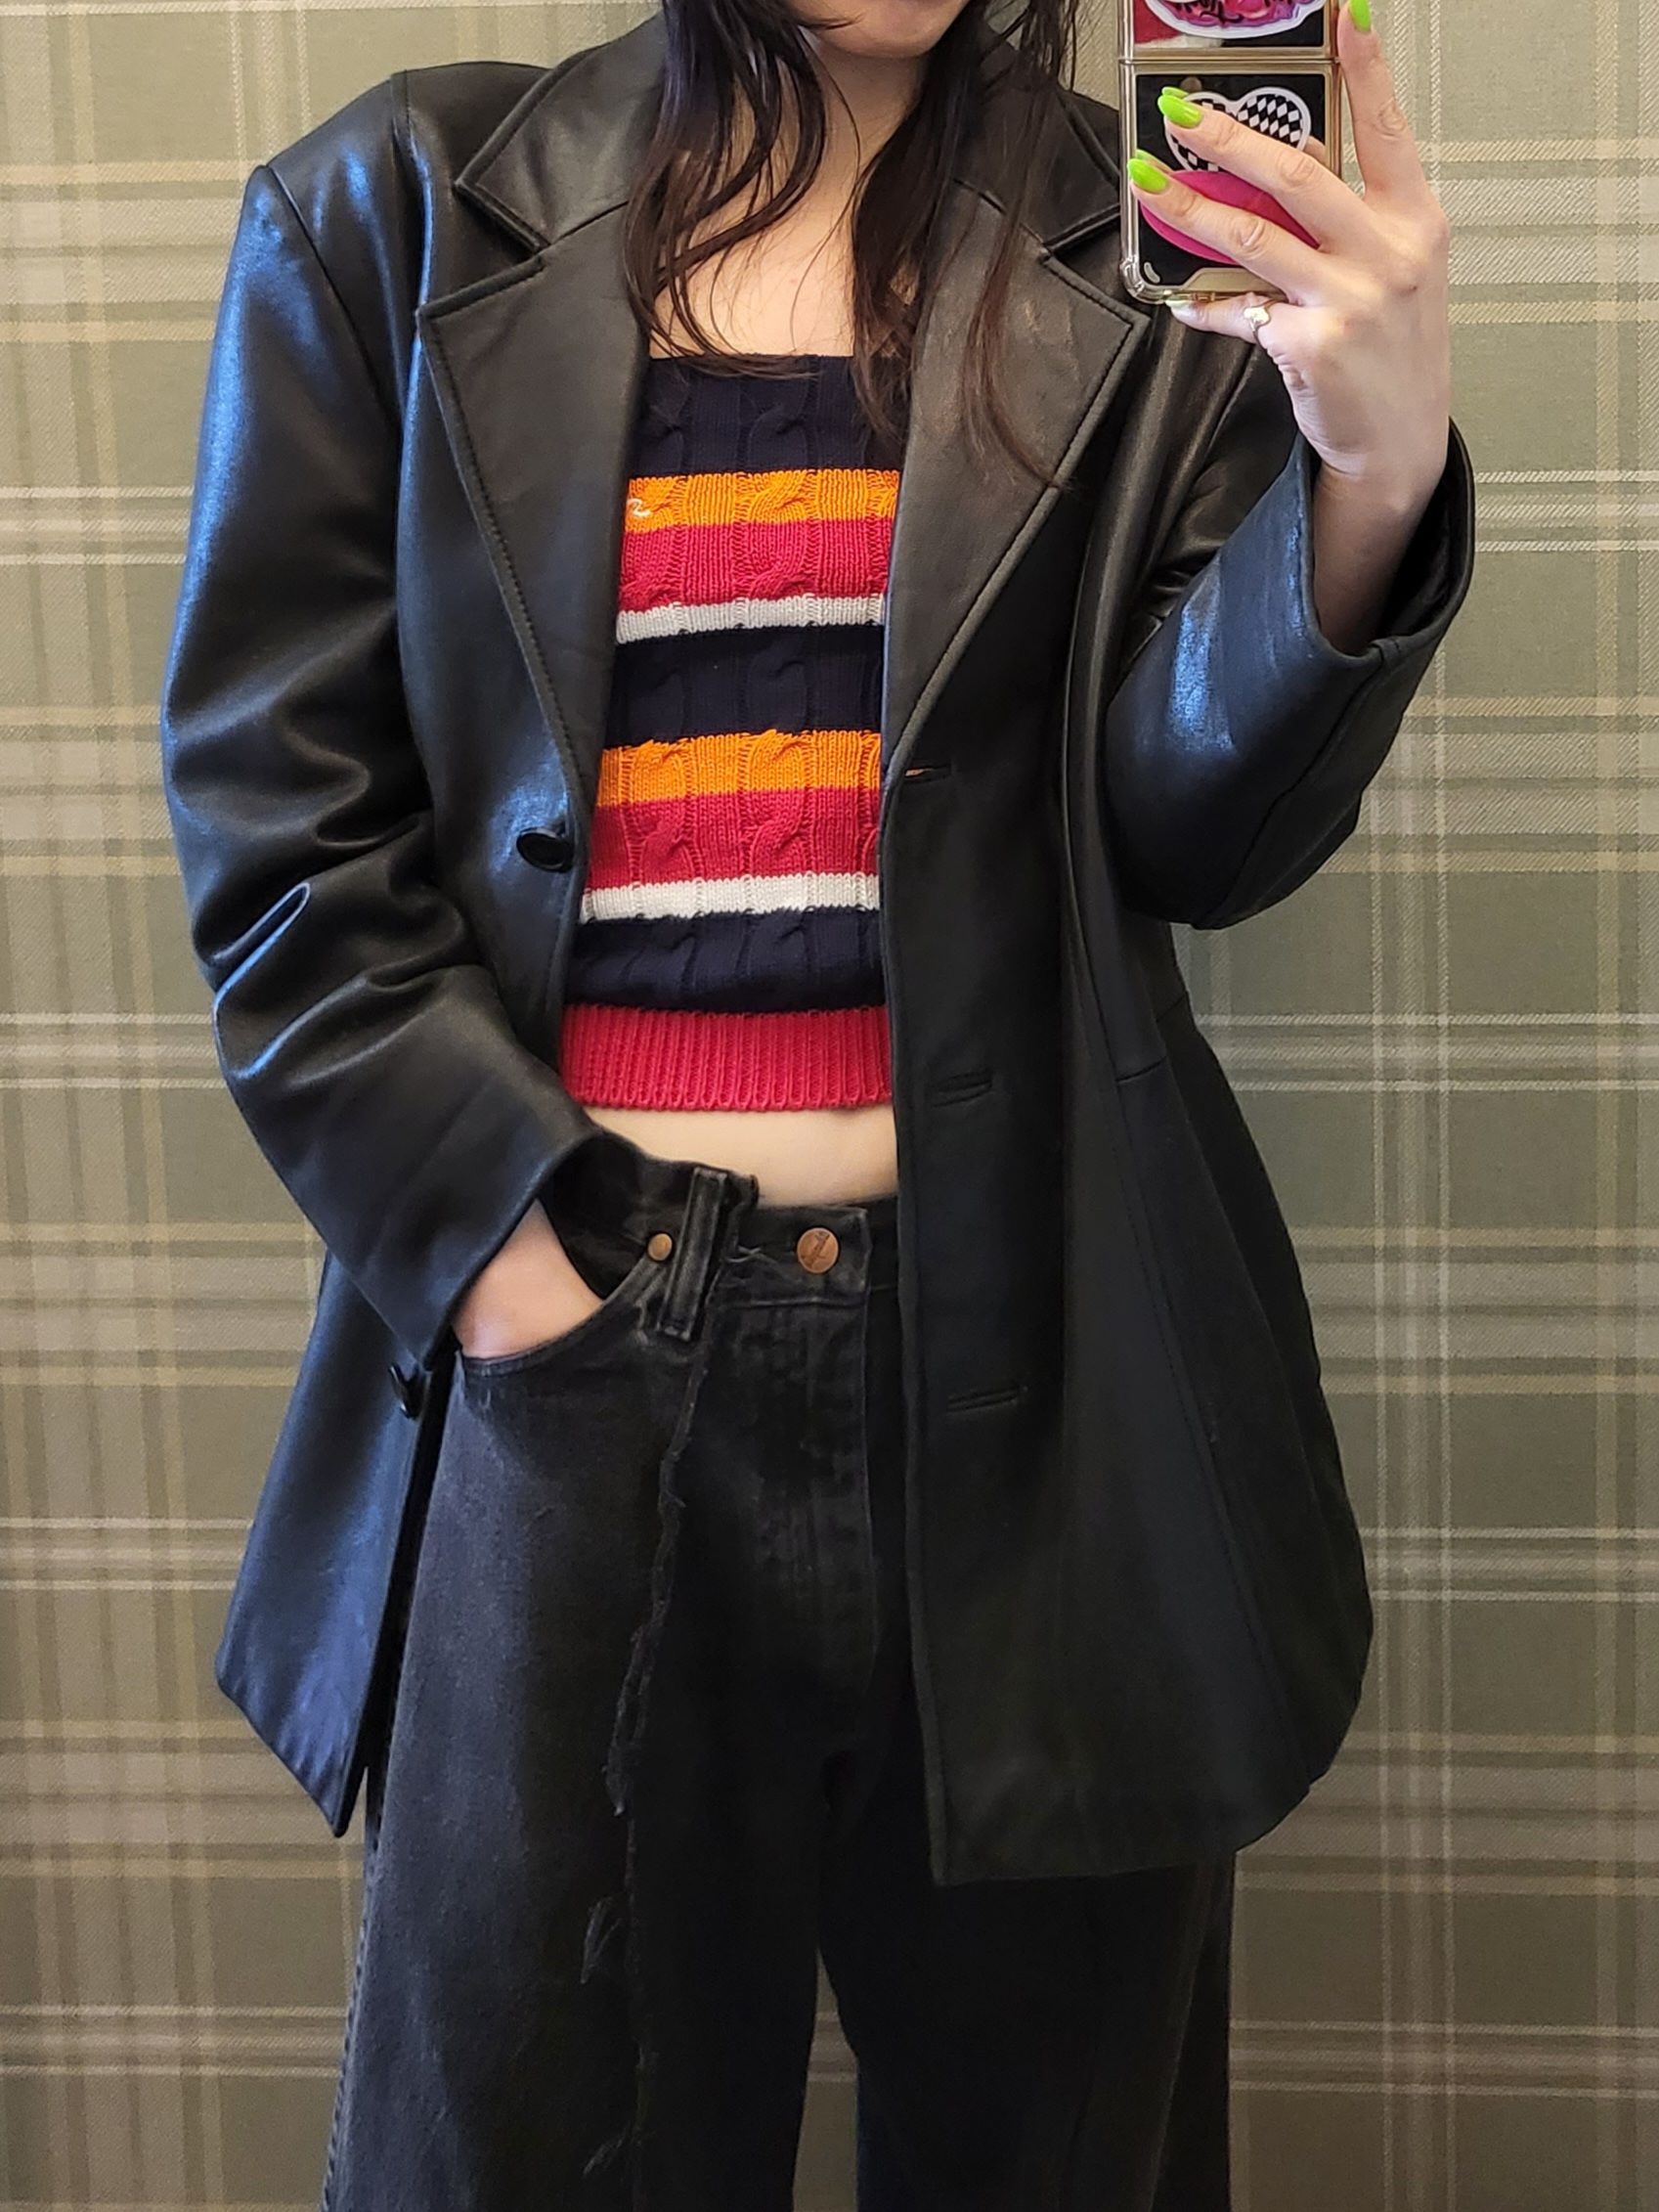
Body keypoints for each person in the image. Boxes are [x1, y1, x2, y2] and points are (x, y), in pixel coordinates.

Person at [157, 0, 1475, 2203]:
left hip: (1039, 1380)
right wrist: (518, 1280)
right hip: (571, 1366)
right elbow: (285, 843)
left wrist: (1373, 469)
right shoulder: (391, 215)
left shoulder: (1139, 239)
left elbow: (1193, 838)